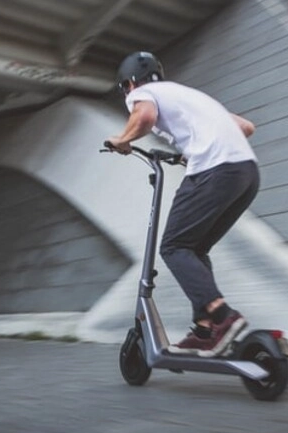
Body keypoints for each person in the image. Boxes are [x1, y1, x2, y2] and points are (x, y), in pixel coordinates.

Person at [106, 51, 259, 357]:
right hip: (247, 174)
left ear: (130, 84)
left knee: (173, 247)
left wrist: (122, 140)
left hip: (216, 171)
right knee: (194, 249)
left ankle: (222, 316)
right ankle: (204, 330)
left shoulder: (143, 93)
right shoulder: (188, 95)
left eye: (126, 89)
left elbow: (145, 117)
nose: (129, 95)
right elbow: (245, 127)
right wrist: (187, 153)